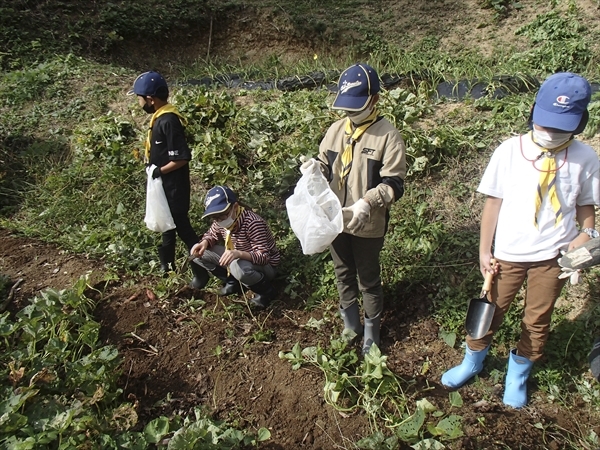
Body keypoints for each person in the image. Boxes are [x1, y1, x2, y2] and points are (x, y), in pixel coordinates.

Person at [441, 72, 600, 408]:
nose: (551, 134)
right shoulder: (510, 151)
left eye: (561, 127)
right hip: (508, 254)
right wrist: (485, 250)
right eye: (546, 125)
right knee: (490, 310)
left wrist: (586, 235)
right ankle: (473, 360)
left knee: (538, 318)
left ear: (580, 121)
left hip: (553, 257)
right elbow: (492, 203)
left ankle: (518, 374)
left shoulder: (585, 158)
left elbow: (585, 203)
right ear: (533, 112)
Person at [301, 63, 406, 354]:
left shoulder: (387, 136)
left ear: (374, 100)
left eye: (356, 107)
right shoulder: (336, 131)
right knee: (342, 271)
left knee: (368, 279)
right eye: (346, 108)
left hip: (366, 223)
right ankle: (350, 323)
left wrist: (367, 202)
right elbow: (326, 164)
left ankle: (372, 330)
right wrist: (314, 170)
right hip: (336, 219)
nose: (350, 114)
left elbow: (394, 183)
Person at [128, 71, 206, 288]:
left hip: (174, 189)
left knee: (183, 228)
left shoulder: (169, 121)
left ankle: (204, 273)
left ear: (151, 99)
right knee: (168, 228)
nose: (139, 102)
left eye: (140, 98)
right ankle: (167, 269)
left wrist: (159, 171)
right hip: (164, 187)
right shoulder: (159, 118)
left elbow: (182, 158)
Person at [190, 185, 280, 308]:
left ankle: (266, 292)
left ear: (235, 207)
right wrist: (204, 243)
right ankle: (233, 282)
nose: (219, 220)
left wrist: (238, 254)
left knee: (237, 266)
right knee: (198, 254)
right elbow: (212, 234)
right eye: (215, 217)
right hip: (237, 258)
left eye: (223, 215)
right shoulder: (220, 222)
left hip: (264, 266)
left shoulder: (253, 223)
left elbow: (263, 257)